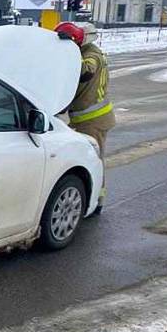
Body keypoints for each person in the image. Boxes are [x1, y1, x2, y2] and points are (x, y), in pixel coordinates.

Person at [55, 21, 115, 212]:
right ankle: (95, 199)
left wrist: (66, 55)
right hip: (89, 119)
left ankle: (97, 201)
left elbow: (86, 70)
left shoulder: (91, 54)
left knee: (94, 161)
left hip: (93, 120)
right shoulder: (89, 51)